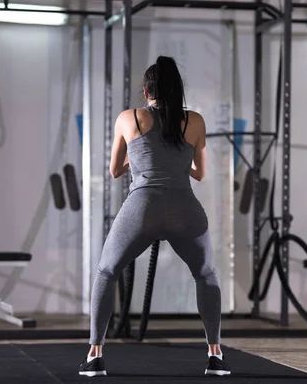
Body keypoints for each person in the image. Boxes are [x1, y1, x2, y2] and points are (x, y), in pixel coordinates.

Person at [78, 56, 231, 377]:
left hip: (142, 208)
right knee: (206, 276)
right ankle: (215, 356)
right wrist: (175, 163)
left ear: (146, 91)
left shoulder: (129, 118)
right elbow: (199, 174)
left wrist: (143, 159)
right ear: (177, 90)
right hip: (185, 210)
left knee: (107, 271)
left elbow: (115, 170)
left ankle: (94, 356)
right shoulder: (196, 121)